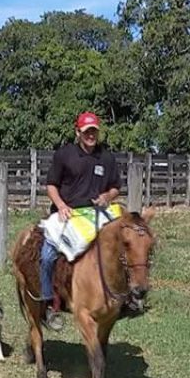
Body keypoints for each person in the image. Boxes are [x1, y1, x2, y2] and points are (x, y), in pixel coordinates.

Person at [39, 111, 121, 329]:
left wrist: (107, 196)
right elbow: (51, 186)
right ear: (78, 133)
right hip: (67, 214)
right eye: (86, 132)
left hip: (95, 215)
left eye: (94, 131)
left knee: (125, 245)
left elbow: (115, 187)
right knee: (47, 256)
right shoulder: (65, 155)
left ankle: (124, 296)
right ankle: (49, 303)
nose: (90, 136)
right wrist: (61, 205)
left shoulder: (107, 157)